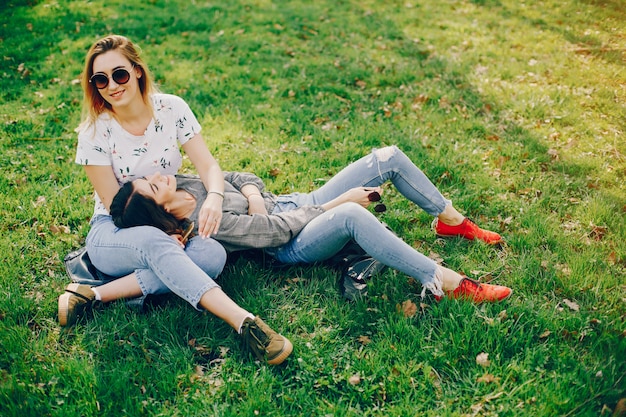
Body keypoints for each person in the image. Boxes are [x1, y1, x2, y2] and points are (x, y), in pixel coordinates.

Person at [57, 34, 292, 366]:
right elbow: (115, 206)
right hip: (115, 231)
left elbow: (208, 165)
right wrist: (165, 231)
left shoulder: (171, 108)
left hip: (169, 227)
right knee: (158, 244)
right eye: (101, 80)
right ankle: (244, 322)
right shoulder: (95, 131)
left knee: (211, 253)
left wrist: (213, 196)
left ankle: (92, 295)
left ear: (137, 71)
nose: (112, 85)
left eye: (119, 74)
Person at [109, 146, 513, 303]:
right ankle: (443, 280)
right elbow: (277, 232)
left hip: (296, 203)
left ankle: (451, 220)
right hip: (293, 242)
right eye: (148, 187)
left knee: (385, 158)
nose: (156, 177)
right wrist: (339, 202)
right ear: (154, 210)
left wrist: (252, 195)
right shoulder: (206, 223)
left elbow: (240, 177)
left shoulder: (184, 182)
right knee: (354, 213)